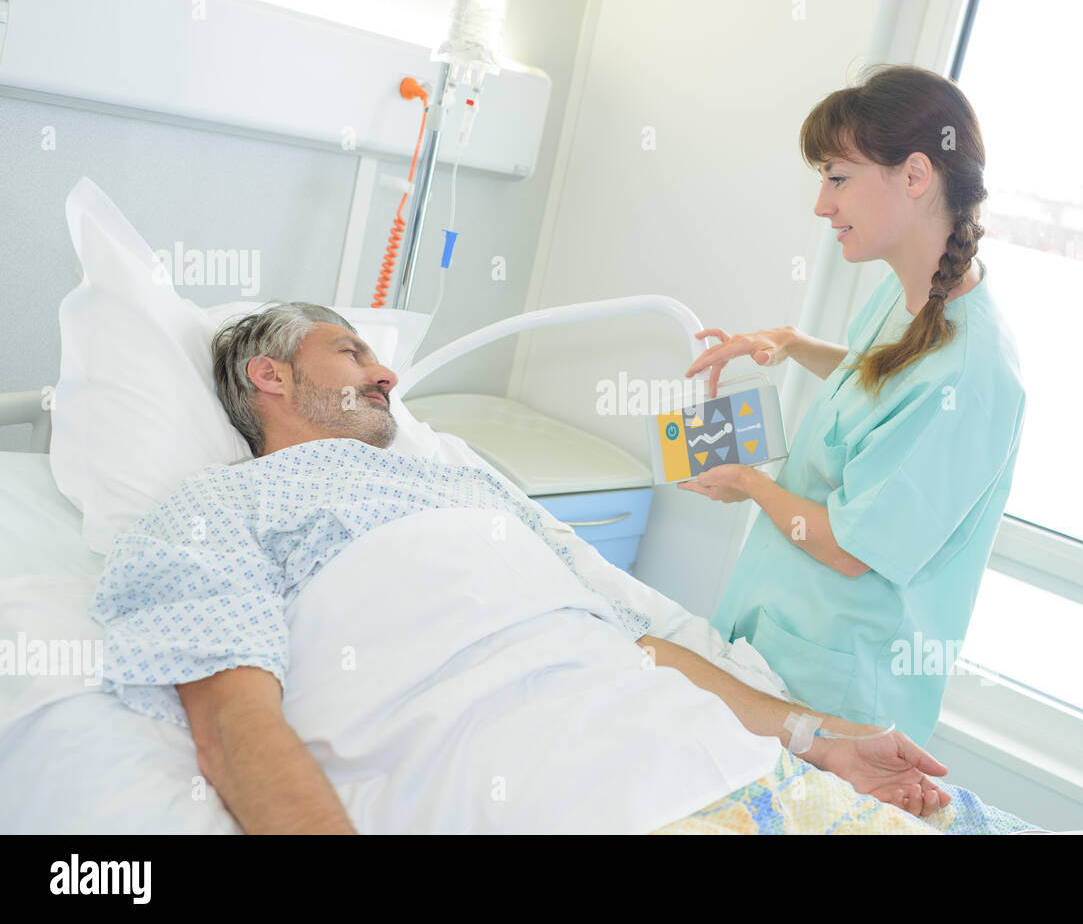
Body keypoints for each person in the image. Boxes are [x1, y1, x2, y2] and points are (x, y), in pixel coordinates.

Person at [89, 301, 981, 834]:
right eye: (352, 352)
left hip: (724, 768)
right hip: (540, 798)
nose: (388, 371)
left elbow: (634, 642)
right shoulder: (218, 511)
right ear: (270, 378)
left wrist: (818, 738)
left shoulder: (469, 487)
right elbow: (236, 730)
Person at [681, 64, 1026, 746]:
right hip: (782, 640)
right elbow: (880, 384)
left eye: (837, 177)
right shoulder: (913, 295)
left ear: (916, 175)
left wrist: (749, 482)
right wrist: (788, 342)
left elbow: (848, 548)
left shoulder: (977, 372)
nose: (821, 204)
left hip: (841, 688)